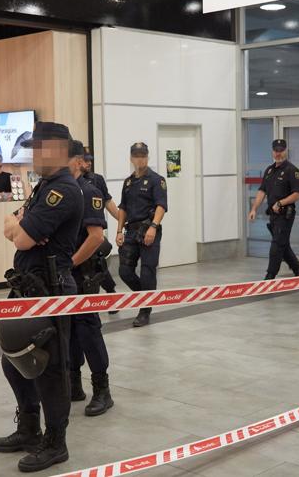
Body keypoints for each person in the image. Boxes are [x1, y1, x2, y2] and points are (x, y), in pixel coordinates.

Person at [0, 122, 83, 472]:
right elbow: (11, 226)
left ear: (59, 149)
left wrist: (22, 226)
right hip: (28, 287)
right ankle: (28, 428)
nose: (33, 153)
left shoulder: (63, 190)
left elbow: (21, 239)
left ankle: (55, 441)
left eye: (40, 147)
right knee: (12, 361)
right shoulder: (44, 187)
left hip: (53, 289)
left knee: (50, 368)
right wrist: (20, 223)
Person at [68, 140, 114, 417]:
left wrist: (70, 263)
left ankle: (102, 390)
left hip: (82, 271)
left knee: (87, 328)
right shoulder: (59, 189)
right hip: (63, 273)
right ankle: (73, 383)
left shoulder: (89, 191)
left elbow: (97, 237)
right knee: (68, 329)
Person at [116, 142, 167, 327]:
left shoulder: (156, 179)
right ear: (131, 158)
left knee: (147, 271)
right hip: (131, 231)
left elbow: (161, 205)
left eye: (143, 155)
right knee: (124, 271)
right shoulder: (128, 182)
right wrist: (119, 231)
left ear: (148, 157)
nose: (140, 159)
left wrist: (154, 226)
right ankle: (147, 298)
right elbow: (123, 208)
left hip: (149, 230)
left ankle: (145, 311)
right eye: (136, 155)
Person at [248, 138, 299, 280]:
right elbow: (262, 191)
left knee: (276, 245)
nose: (278, 153)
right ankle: (298, 270)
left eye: (281, 150)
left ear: (286, 151)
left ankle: (270, 276)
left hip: (285, 215)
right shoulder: (269, 170)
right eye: (276, 151)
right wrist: (254, 209)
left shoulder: (292, 170)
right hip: (273, 215)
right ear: (272, 151)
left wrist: (281, 203)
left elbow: (298, 194)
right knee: (283, 244)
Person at [81, 152, 120, 307]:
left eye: (90, 161)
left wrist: (121, 220)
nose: (88, 163)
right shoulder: (70, 180)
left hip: (93, 231)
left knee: (97, 264)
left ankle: (109, 292)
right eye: (85, 161)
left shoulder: (97, 179)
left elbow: (107, 202)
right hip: (76, 233)